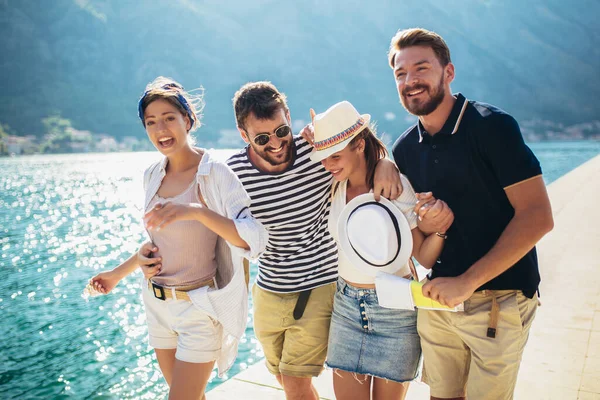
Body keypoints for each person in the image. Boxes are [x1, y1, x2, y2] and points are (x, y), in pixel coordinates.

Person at [135, 81, 402, 400]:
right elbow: (204, 231)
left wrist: (387, 163)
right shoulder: (231, 172)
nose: (276, 143)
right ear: (243, 134)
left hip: (318, 285)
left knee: (294, 380)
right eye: (262, 138)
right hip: (269, 290)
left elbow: (360, 152)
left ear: (289, 117)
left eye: (282, 131)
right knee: (279, 374)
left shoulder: (315, 152)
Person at [388, 28, 554, 400]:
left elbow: (538, 216)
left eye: (421, 69)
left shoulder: (492, 127)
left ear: (448, 72)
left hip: (500, 299)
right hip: (438, 300)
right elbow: (418, 240)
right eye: (400, 73)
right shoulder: (403, 150)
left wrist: (467, 281)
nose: (410, 81)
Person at [89, 76, 267, 400]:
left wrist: (196, 211)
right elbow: (158, 247)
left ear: (187, 119)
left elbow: (252, 238)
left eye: (169, 118)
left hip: (197, 310)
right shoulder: (152, 176)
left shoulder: (215, 173)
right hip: (156, 306)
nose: (161, 130)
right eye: (151, 122)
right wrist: (117, 274)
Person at [308, 100, 453, 400]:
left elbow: (423, 256)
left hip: (395, 311)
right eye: (323, 158)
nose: (328, 165)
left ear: (359, 145)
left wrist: (441, 228)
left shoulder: (394, 186)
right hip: (346, 307)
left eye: (335, 156)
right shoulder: (334, 183)